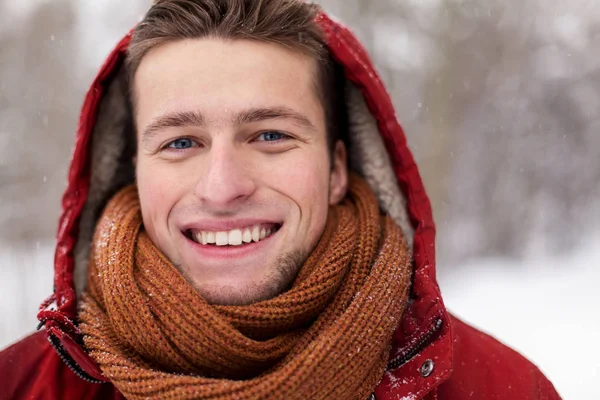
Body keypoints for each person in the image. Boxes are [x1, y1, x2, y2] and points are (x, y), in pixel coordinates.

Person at [0, 1, 561, 399]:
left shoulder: (500, 390)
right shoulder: (20, 386)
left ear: (338, 168)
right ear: (135, 173)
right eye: (181, 142)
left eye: (270, 135)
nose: (222, 187)